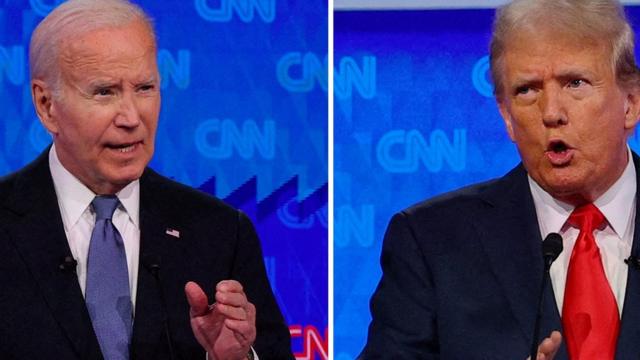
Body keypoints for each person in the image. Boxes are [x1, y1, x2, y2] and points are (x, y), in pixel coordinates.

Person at [0, 0, 293, 359]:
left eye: (144, 88)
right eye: (105, 92)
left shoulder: (221, 234)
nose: (131, 117)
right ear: (46, 105)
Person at [360, 0, 640, 359]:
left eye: (575, 83)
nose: (551, 112)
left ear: (630, 103)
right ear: (507, 117)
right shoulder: (430, 242)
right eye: (527, 90)